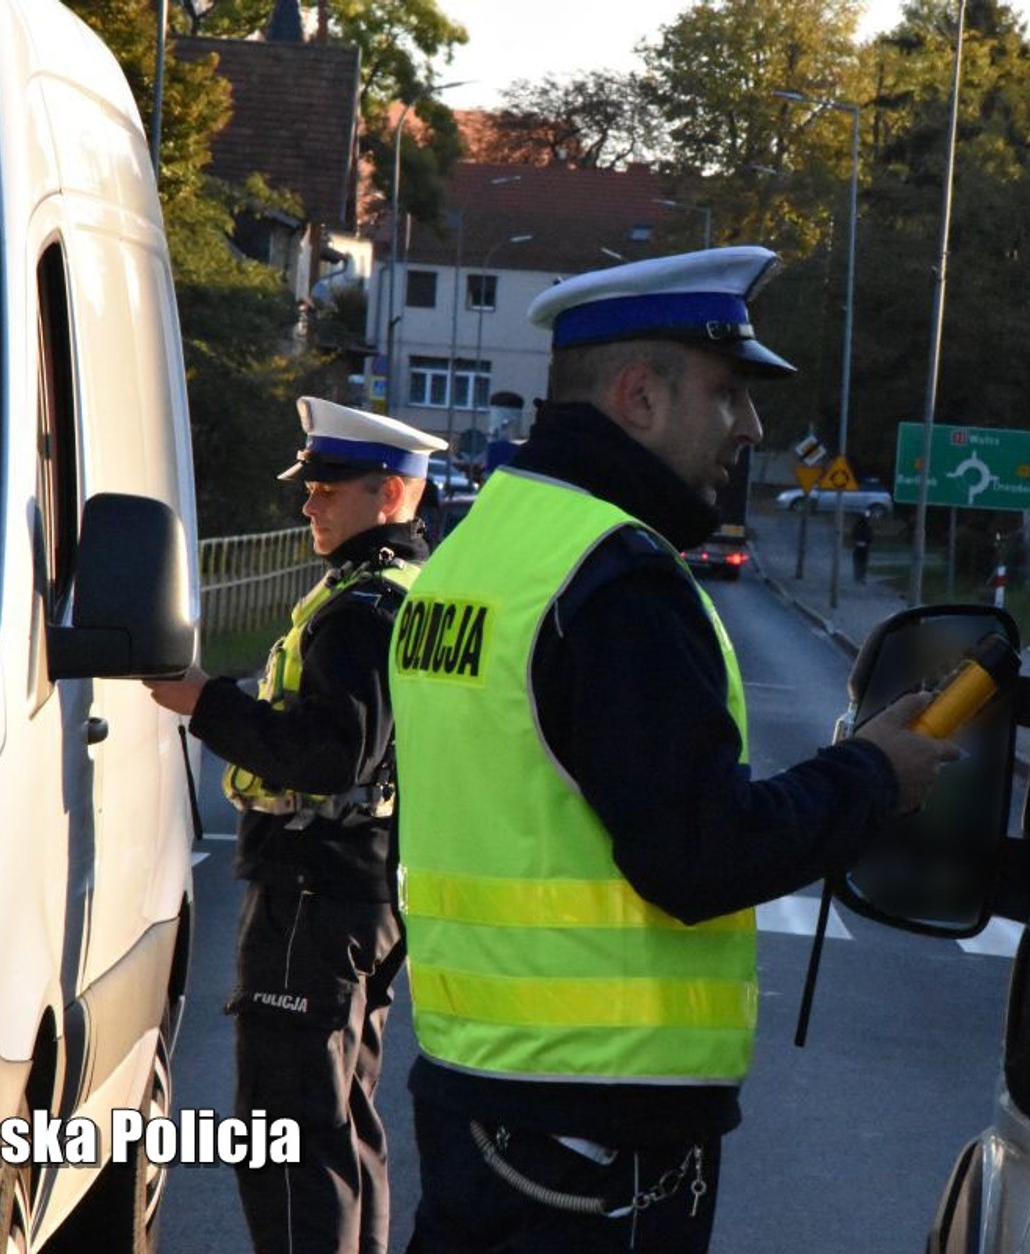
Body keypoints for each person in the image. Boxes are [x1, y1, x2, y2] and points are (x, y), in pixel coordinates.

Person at [387, 246, 962, 1253]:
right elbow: (699, 853)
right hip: (592, 1138)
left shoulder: (477, 550)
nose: (751, 429)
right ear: (639, 397)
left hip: (479, 1095)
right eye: (727, 393)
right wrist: (875, 772)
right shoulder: (617, 578)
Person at [145, 396, 445, 1254]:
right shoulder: (409, 590)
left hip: (317, 889)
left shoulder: (359, 609)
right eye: (309, 485)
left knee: (284, 1134)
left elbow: (330, 755)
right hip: (365, 886)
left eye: (329, 487)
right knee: (342, 1119)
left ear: (391, 494)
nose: (309, 502)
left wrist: (207, 703)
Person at [851, 509, 873, 584]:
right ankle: (862, 578)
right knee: (863, 563)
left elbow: (853, 536)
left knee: (857, 563)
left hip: (857, 547)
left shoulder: (856, 527)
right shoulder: (868, 527)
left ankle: (857, 578)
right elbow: (870, 539)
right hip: (864, 548)